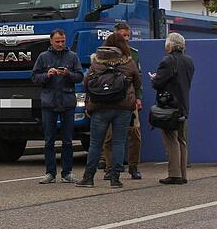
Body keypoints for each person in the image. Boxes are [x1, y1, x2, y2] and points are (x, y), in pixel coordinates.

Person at [78, 32, 141, 189]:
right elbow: (138, 82)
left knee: (95, 143)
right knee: (119, 142)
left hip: (100, 107)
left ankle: (89, 177)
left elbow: (86, 83)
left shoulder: (98, 61)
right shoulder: (129, 62)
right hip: (123, 108)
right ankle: (115, 178)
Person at [31, 28, 84, 184]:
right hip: (49, 102)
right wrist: (47, 75)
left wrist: (68, 74)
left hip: (67, 102)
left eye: (62, 41)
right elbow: (34, 77)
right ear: (51, 41)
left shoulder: (72, 57)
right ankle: (50, 173)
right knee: (49, 140)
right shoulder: (43, 57)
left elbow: (80, 76)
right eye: (57, 41)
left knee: (67, 140)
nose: (60, 44)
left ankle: (67, 172)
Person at [151, 32, 195, 185]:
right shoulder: (189, 61)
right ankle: (182, 173)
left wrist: (154, 78)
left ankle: (174, 173)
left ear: (169, 45)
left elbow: (158, 83)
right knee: (182, 140)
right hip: (183, 105)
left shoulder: (167, 61)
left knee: (171, 139)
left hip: (170, 107)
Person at [101, 21, 143, 180]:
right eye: (122, 35)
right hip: (110, 98)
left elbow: (138, 79)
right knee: (110, 136)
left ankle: (134, 166)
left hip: (129, 98)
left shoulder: (134, 54)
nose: (125, 39)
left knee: (134, 133)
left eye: (127, 36)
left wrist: (138, 97)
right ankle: (110, 167)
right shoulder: (105, 54)